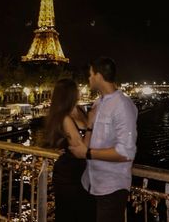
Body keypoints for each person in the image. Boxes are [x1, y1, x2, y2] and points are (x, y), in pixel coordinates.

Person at [69, 57, 138, 222]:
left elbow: (125, 152)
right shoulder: (97, 103)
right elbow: (92, 136)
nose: (89, 78)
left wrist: (88, 153)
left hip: (111, 189)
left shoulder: (123, 106)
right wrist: (86, 123)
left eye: (91, 74)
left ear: (99, 76)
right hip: (90, 184)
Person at [45, 78, 96, 222]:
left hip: (84, 171)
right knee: (71, 214)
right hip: (70, 175)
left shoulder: (80, 110)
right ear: (70, 94)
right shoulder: (65, 118)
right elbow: (82, 149)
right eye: (77, 89)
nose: (80, 91)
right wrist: (91, 124)